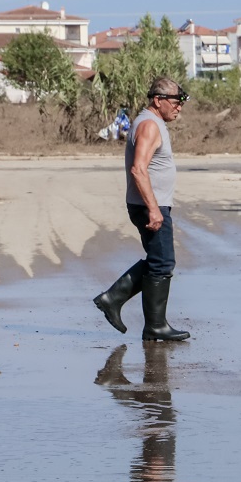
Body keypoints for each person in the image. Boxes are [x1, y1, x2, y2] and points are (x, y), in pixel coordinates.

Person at [94, 77, 190, 342]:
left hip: (150, 203)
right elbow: (138, 169)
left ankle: (125, 306)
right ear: (158, 100)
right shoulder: (149, 124)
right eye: (176, 101)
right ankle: (134, 312)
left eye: (181, 102)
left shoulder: (152, 122)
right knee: (162, 263)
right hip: (150, 205)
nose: (179, 107)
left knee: (159, 261)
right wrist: (154, 209)